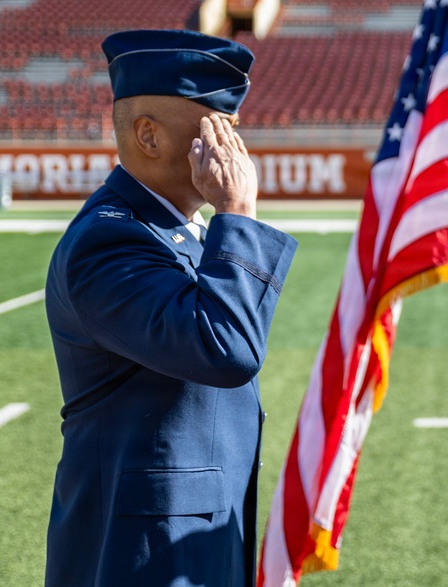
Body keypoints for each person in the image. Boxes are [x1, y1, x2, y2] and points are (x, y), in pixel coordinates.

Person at [44, 29, 298, 586]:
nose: (231, 149)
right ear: (148, 136)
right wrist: (239, 212)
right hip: (141, 552)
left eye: (231, 130)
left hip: (190, 535)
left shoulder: (176, 231)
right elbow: (225, 350)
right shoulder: (108, 242)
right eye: (214, 128)